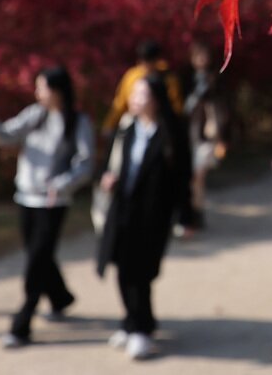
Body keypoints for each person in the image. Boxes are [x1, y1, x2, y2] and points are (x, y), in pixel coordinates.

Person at [0, 66, 95, 348]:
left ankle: (22, 323)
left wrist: (62, 184)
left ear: (58, 91)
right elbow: (3, 136)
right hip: (26, 198)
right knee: (39, 254)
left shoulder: (77, 122)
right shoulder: (34, 115)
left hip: (53, 201)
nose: (37, 93)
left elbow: (85, 164)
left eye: (42, 87)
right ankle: (61, 297)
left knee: (37, 260)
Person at [95, 75, 193, 361]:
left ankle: (140, 329)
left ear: (157, 99)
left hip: (154, 214)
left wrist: (185, 216)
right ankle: (134, 322)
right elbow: (107, 165)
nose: (136, 100)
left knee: (140, 272)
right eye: (134, 95)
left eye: (142, 95)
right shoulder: (125, 128)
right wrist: (106, 178)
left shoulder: (170, 132)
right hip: (123, 210)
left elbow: (182, 177)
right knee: (123, 270)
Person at [184, 42, 230, 229]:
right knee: (192, 177)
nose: (201, 60)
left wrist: (220, 132)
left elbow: (221, 106)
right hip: (190, 131)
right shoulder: (187, 79)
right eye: (198, 56)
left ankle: (197, 212)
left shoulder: (215, 79)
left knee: (198, 175)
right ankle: (194, 211)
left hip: (207, 133)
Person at [102, 41, 185, 135]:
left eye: (149, 61)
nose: (146, 65)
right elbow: (120, 103)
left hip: (161, 123)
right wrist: (109, 124)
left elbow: (176, 106)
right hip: (134, 121)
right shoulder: (132, 76)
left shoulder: (168, 78)